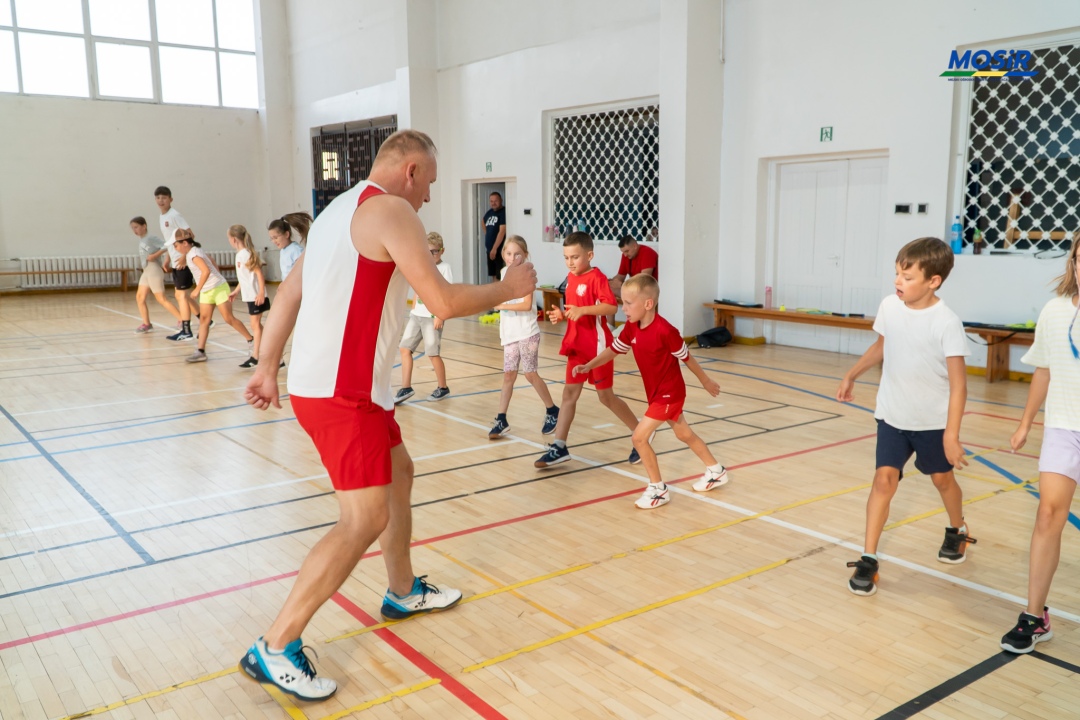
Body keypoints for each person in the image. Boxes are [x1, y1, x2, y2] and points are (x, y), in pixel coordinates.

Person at [239, 129, 537, 701]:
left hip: (335, 387)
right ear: (411, 170)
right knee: (362, 519)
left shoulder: (333, 215)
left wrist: (267, 366)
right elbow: (444, 303)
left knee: (400, 473)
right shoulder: (393, 209)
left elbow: (288, 296)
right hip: (342, 394)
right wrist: (508, 286)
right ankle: (276, 644)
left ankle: (401, 589)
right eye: (428, 181)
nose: (428, 196)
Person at [837, 237, 972, 597]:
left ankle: (957, 529)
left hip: (931, 423)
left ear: (934, 281)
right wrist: (853, 373)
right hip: (892, 416)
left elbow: (959, 386)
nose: (898, 282)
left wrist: (951, 435)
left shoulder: (946, 323)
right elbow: (882, 345)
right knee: (884, 480)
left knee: (943, 482)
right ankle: (868, 557)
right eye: (897, 273)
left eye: (908, 277)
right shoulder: (889, 306)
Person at [573, 274, 728, 508]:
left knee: (639, 437)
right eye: (622, 302)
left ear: (648, 304)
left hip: (670, 393)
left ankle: (658, 489)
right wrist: (589, 365)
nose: (622, 308)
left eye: (628, 303)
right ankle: (716, 471)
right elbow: (613, 350)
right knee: (683, 434)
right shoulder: (631, 329)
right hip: (655, 393)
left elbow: (687, 358)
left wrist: (705, 381)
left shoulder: (666, 331)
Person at [999, 240, 1080, 653]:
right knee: (1048, 513)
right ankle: (1034, 616)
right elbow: (1045, 371)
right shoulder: (1055, 311)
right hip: (1065, 427)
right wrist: (1026, 422)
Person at [534, 232, 641, 469]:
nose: (570, 262)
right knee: (568, 395)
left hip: (597, 347)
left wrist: (583, 311)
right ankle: (559, 446)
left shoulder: (597, 277)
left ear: (589, 255)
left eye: (575, 257)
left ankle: (641, 434)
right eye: (566, 258)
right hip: (576, 346)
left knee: (606, 398)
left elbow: (611, 305)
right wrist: (561, 315)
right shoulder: (570, 278)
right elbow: (574, 309)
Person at [487, 235, 559, 439]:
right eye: (508, 253)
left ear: (525, 255)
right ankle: (501, 418)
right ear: (503, 255)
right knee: (509, 375)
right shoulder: (503, 273)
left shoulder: (528, 274)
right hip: (509, 334)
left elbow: (527, 304)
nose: (512, 257)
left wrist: (501, 305)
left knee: (530, 374)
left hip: (527, 333)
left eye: (517, 253)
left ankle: (552, 410)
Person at [172, 229, 253, 364]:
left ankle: (251, 340)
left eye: (176, 245)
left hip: (218, 288)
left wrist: (197, 290)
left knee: (228, 318)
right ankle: (200, 351)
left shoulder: (194, 254)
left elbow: (206, 271)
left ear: (185, 243)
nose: (175, 248)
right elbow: (211, 261)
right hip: (207, 290)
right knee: (204, 320)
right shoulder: (193, 251)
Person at [395, 232, 453, 403]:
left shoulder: (444, 268)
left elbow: (447, 294)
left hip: (432, 317)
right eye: (427, 251)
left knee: (432, 353)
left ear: (442, 251)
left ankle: (443, 387)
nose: (431, 255)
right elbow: (417, 287)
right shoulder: (422, 265)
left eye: (434, 251)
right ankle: (406, 387)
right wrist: (414, 308)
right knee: (405, 348)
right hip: (417, 315)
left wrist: (440, 316)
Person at [227, 224, 273, 369]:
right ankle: (275, 355)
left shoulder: (245, 254)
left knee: (255, 325)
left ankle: (256, 357)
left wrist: (260, 293)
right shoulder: (240, 255)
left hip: (255, 296)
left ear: (234, 239)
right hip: (249, 295)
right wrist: (236, 291)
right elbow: (244, 278)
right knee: (257, 325)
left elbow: (259, 273)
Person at [155, 186, 195, 341]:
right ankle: (202, 322)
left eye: (164, 198)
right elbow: (170, 242)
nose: (161, 200)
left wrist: (184, 257)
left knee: (181, 296)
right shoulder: (162, 217)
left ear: (170, 199)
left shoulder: (174, 215)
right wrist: (167, 258)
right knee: (181, 295)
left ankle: (186, 330)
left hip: (183, 260)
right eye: (158, 198)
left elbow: (190, 234)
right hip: (175, 260)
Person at [130, 216, 181, 333]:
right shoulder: (142, 239)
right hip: (146, 271)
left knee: (161, 299)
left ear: (144, 226)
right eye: (133, 228)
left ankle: (182, 320)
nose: (134, 230)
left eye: (136, 227)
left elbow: (167, 245)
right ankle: (146, 323)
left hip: (154, 270)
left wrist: (155, 255)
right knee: (140, 297)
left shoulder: (150, 238)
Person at [607, 235, 658, 325]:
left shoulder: (647, 253)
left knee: (618, 290)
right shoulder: (626, 256)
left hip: (646, 290)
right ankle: (610, 327)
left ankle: (630, 327)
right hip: (634, 289)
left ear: (635, 246)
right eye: (623, 252)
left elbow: (644, 280)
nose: (625, 255)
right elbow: (620, 276)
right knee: (607, 289)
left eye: (627, 251)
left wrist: (623, 285)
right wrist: (610, 282)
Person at [269, 212, 312, 281]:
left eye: (276, 237)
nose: (274, 241)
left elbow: (303, 271)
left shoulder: (296, 250)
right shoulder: (283, 250)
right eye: (272, 239)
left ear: (286, 234)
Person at [482, 191, 506, 282]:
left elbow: (502, 231)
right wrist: (487, 233)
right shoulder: (490, 212)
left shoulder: (503, 212)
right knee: (493, 275)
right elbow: (483, 222)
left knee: (500, 275)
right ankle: (495, 295)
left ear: (501, 200)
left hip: (498, 250)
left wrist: (495, 248)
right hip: (490, 250)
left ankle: (500, 296)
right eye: (491, 201)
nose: (493, 203)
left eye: (496, 201)